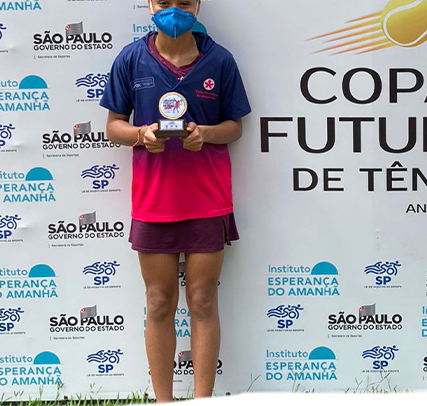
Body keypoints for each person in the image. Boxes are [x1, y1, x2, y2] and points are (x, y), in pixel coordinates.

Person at [100, 0, 251, 402]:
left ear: (197, 5)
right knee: (158, 301)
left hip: (207, 200)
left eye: (184, 2)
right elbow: (113, 126)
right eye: (164, 2)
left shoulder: (220, 60)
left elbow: (235, 126)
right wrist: (140, 135)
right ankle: (163, 401)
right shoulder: (130, 59)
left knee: (202, 299)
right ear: (150, 4)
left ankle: (203, 400)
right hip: (154, 201)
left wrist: (207, 134)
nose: (174, 10)